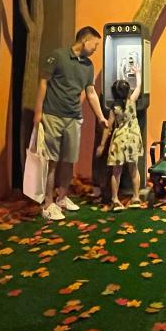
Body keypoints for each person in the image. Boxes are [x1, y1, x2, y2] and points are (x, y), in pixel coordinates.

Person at [33, 26, 109, 221]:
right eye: (95, 44)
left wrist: (101, 116)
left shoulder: (88, 65)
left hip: (74, 117)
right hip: (53, 115)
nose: (96, 48)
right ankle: (48, 203)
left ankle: (62, 198)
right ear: (85, 40)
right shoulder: (58, 56)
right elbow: (43, 82)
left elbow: (90, 93)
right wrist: (38, 112)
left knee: (69, 160)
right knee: (52, 160)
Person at [95, 78, 143, 210]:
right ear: (128, 92)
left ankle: (115, 200)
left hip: (119, 140)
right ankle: (136, 197)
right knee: (134, 169)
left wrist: (102, 145)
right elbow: (138, 87)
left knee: (116, 172)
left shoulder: (114, 108)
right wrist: (138, 74)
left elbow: (108, 127)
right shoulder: (132, 101)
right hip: (133, 139)